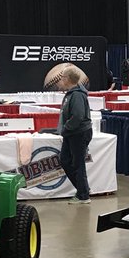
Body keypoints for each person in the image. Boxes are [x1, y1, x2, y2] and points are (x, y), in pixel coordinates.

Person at [50, 63, 93, 204]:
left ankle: (83, 196)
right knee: (66, 161)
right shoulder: (72, 94)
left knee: (78, 164)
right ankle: (83, 190)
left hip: (78, 133)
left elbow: (78, 116)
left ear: (68, 79)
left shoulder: (77, 95)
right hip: (72, 133)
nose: (61, 81)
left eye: (62, 78)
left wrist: (66, 128)